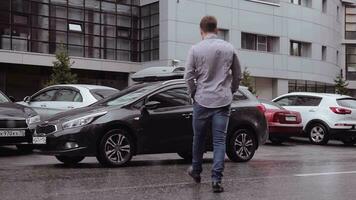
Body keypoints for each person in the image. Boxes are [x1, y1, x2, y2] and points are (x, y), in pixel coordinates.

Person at [184, 16, 242, 193]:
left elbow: (188, 76)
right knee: (219, 141)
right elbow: (238, 75)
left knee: (198, 139)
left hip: (202, 100)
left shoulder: (195, 49)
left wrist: (193, 93)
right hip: (222, 101)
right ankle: (216, 180)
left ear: (201, 31)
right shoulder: (229, 48)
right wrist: (230, 91)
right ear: (217, 30)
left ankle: (196, 170)